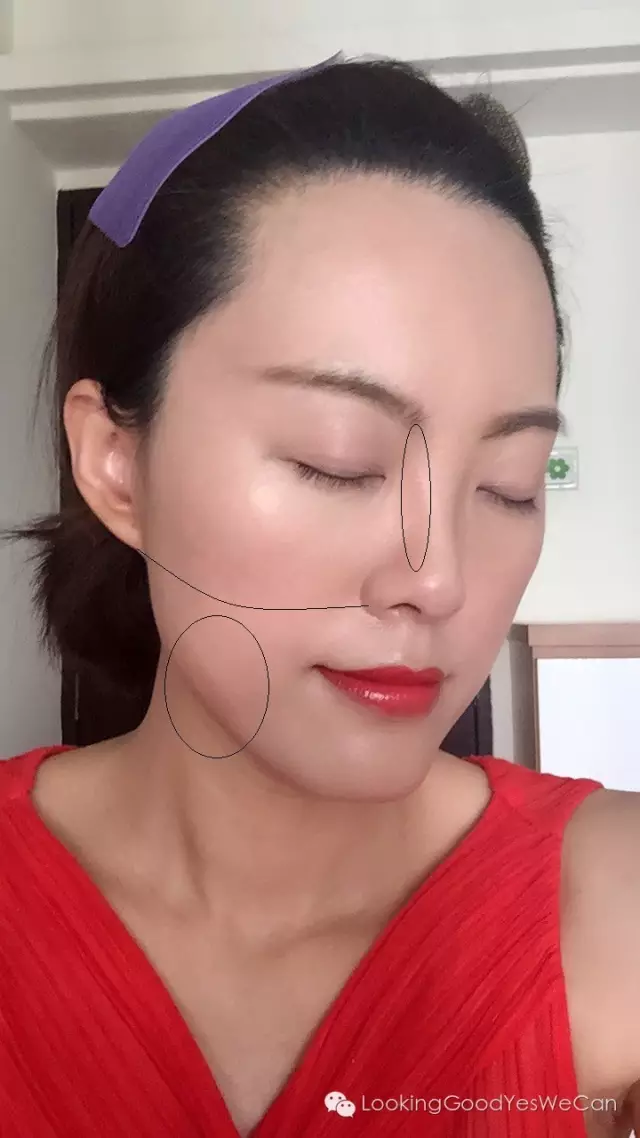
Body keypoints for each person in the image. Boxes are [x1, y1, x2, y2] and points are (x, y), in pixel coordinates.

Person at [0, 55, 637, 1138]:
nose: (437, 577)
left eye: (508, 484)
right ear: (115, 462)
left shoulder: (615, 908)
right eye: (336, 461)